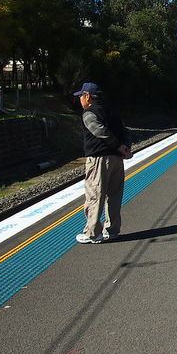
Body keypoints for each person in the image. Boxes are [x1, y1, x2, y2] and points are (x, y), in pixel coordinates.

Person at [73, 82, 132, 244]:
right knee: (114, 195)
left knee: (95, 195)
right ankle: (111, 230)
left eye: (81, 96)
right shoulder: (112, 111)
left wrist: (119, 146)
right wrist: (125, 148)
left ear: (88, 96)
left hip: (99, 159)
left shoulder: (89, 113)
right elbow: (125, 130)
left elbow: (99, 131)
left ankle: (93, 233)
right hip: (117, 160)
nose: (80, 99)